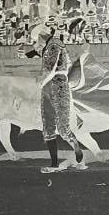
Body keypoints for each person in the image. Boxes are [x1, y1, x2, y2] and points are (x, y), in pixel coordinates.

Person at [35, 23, 84, 173]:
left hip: (55, 85)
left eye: (37, 39)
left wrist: (42, 82)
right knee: (50, 125)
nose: (37, 43)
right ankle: (54, 163)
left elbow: (51, 68)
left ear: (41, 36)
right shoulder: (54, 45)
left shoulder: (54, 44)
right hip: (58, 85)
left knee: (59, 127)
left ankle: (74, 148)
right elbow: (66, 64)